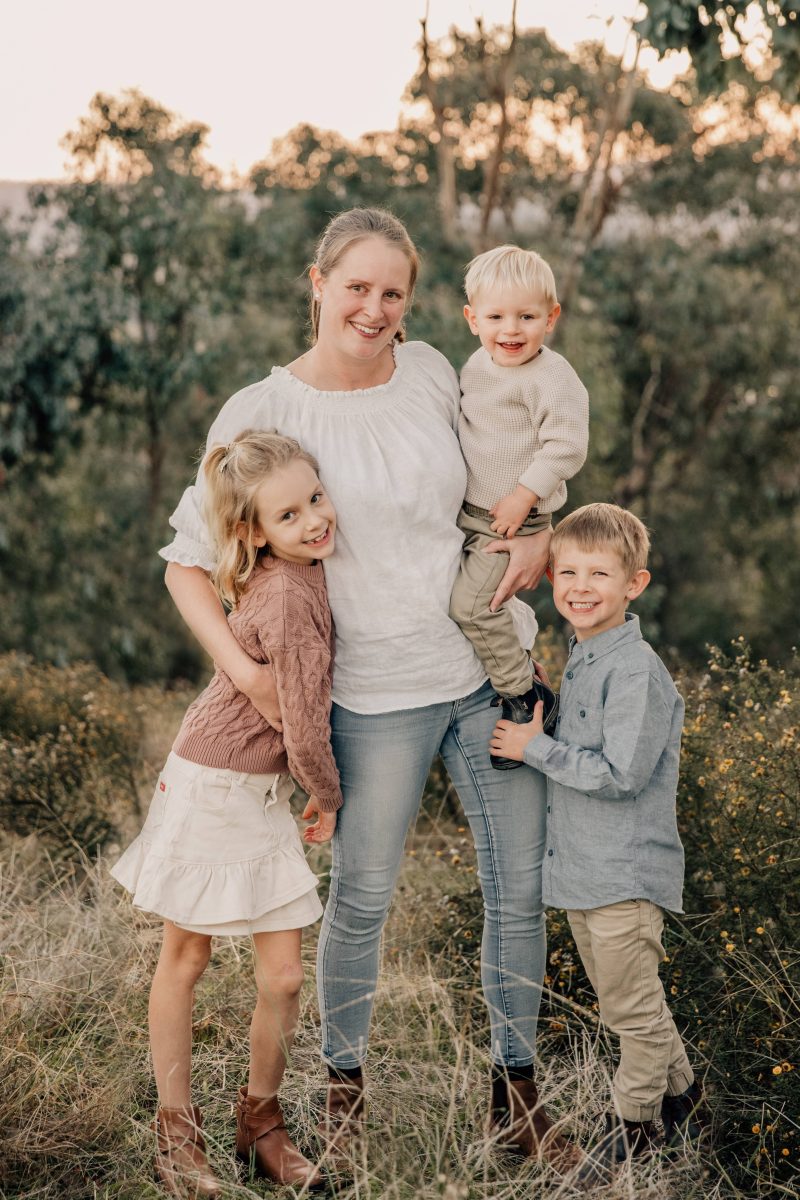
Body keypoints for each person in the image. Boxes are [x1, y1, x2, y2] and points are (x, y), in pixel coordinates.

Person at [160, 208, 580, 1172]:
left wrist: (540, 534)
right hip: (372, 698)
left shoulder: (439, 369)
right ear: (317, 283)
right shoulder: (260, 412)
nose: (377, 308)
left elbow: (505, 482)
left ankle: (517, 1102)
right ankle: (342, 1094)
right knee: (362, 900)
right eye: (358, 287)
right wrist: (248, 673)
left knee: (518, 893)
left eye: (394, 292)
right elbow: (188, 562)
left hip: (485, 674)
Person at [112, 431, 342, 1196]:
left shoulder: (302, 572)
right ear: (252, 532)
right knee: (188, 956)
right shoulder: (283, 595)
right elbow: (304, 722)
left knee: (280, 978)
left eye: (315, 497)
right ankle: (176, 1138)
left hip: (258, 789)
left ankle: (260, 1124)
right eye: (290, 513)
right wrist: (329, 795)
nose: (315, 519)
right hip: (214, 782)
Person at [490, 503, 704, 1181]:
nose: (580, 586)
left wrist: (537, 749)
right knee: (634, 1005)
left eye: (599, 574)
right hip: (583, 874)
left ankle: (632, 1131)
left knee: (631, 1018)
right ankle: (687, 1105)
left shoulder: (634, 669)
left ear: (633, 584)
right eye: (569, 572)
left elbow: (621, 775)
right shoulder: (586, 655)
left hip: (622, 876)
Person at [450, 245, 589, 769]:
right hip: (470, 511)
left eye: (527, 317)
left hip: (515, 519)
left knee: (471, 607)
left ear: (550, 319)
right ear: (472, 319)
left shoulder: (552, 378)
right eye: (496, 317)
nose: (511, 330)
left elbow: (567, 446)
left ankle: (527, 694)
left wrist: (524, 495)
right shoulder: (476, 365)